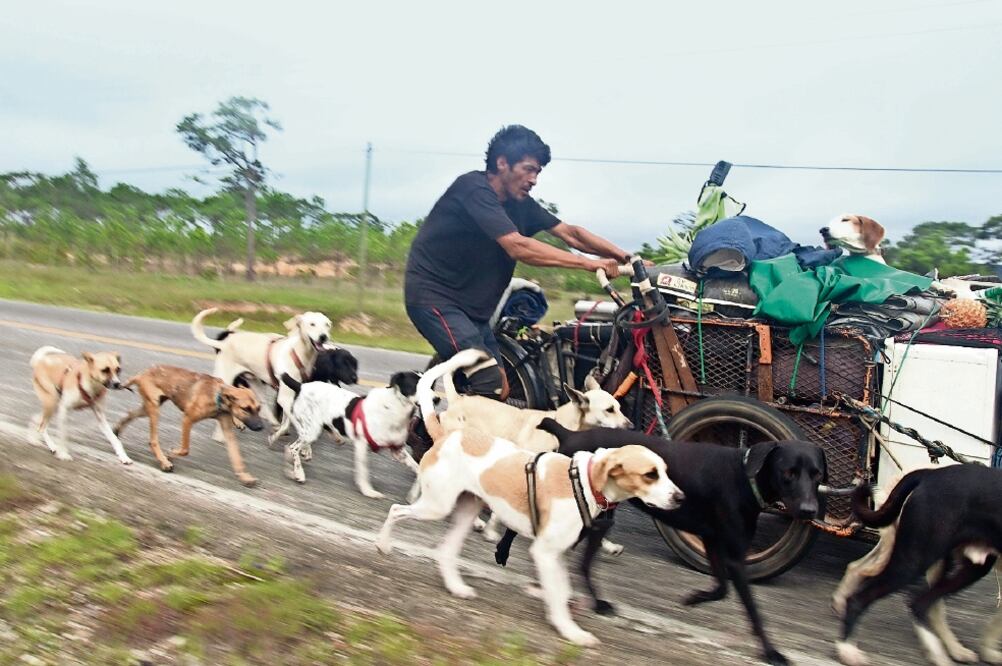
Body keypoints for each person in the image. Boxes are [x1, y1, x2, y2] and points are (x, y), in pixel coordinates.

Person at [404, 124, 631, 401]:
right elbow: (518, 246)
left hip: (474, 310)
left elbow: (571, 233)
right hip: (435, 299)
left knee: (501, 390)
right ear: (502, 163)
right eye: (528, 169)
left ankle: (451, 435)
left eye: (538, 172)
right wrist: (588, 264)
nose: (534, 179)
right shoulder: (473, 189)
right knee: (489, 383)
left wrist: (625, 257)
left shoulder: (522, 205)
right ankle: (431, 438)